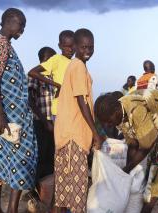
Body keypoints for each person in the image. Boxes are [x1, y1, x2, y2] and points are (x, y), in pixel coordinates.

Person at [0, 8, 37, 212]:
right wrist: (0, 114)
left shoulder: (5, 45)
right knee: (21, 158)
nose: (22, 29)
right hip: (6, 118)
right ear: (7, 21)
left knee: (1, 159)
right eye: (20, 24)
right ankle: (9, 208)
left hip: (9, 116)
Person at [52, 28, 103, 213]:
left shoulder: (75, 65)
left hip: (67, 135)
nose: (87, 50)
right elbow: (82, 101)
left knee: (63, 193)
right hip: (74, 136)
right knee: (78, 192)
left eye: (90, 47)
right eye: (83, 47)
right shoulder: (78, 66)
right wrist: (95, 133)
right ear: (74, 47)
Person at [28, 46, 56, 208]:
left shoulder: (53, 77)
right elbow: (30, 101)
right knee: (39, 158)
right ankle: (34, 193)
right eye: (50, 58)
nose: (54, 61)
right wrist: (45, 121)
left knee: (50, 157)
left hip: (53, 124)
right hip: (40, 123)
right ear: (43, 59)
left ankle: (46, 195)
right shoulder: (35, 76)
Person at [28, 30, 75, 119]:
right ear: (60, 46)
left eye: (73, 46)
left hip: (70, 110)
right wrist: (58, 85)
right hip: (54, 114)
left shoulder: (74, 63)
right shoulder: (56, 59)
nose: (70, 49)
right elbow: (32, 72)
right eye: (67, 46)